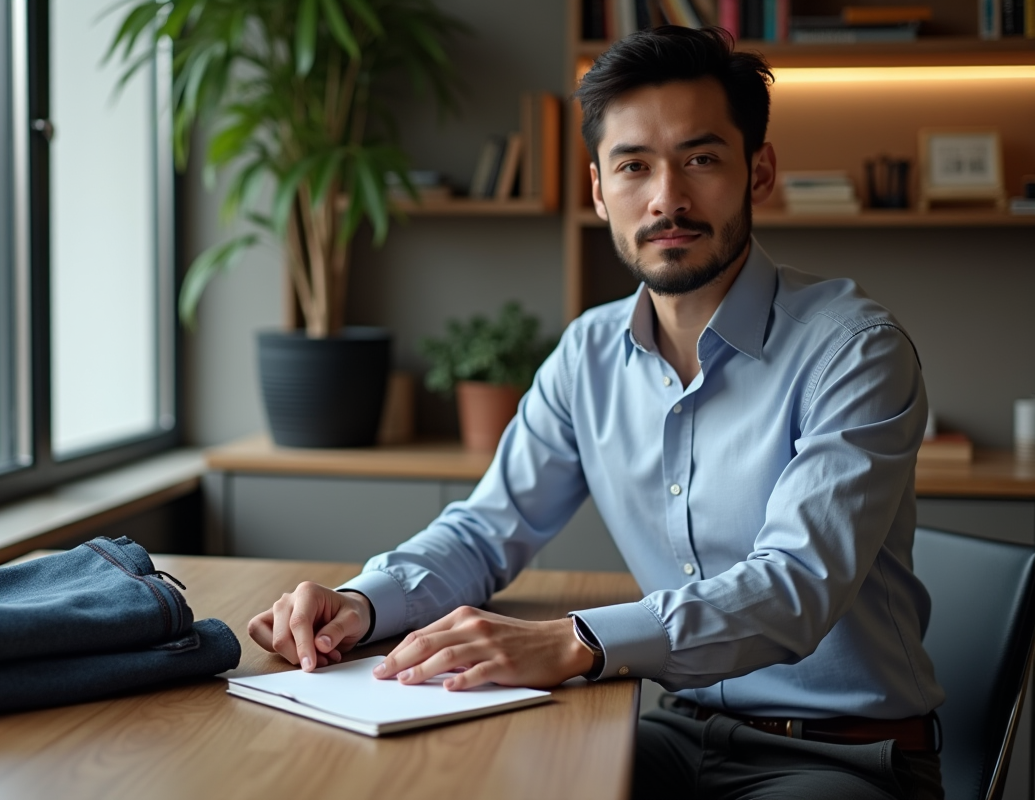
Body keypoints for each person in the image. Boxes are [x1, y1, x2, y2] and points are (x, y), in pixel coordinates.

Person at [248, 26, 944, 800]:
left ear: (760, 172)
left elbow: (794, 588)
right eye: (634, 166)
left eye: (701, 159)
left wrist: (576, 640)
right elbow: (485, 531)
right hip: (664, 728)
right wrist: (360, 603)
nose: (667, 199)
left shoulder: (854, 349)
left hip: (841, 757)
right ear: (597, 189)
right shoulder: (587, 354)